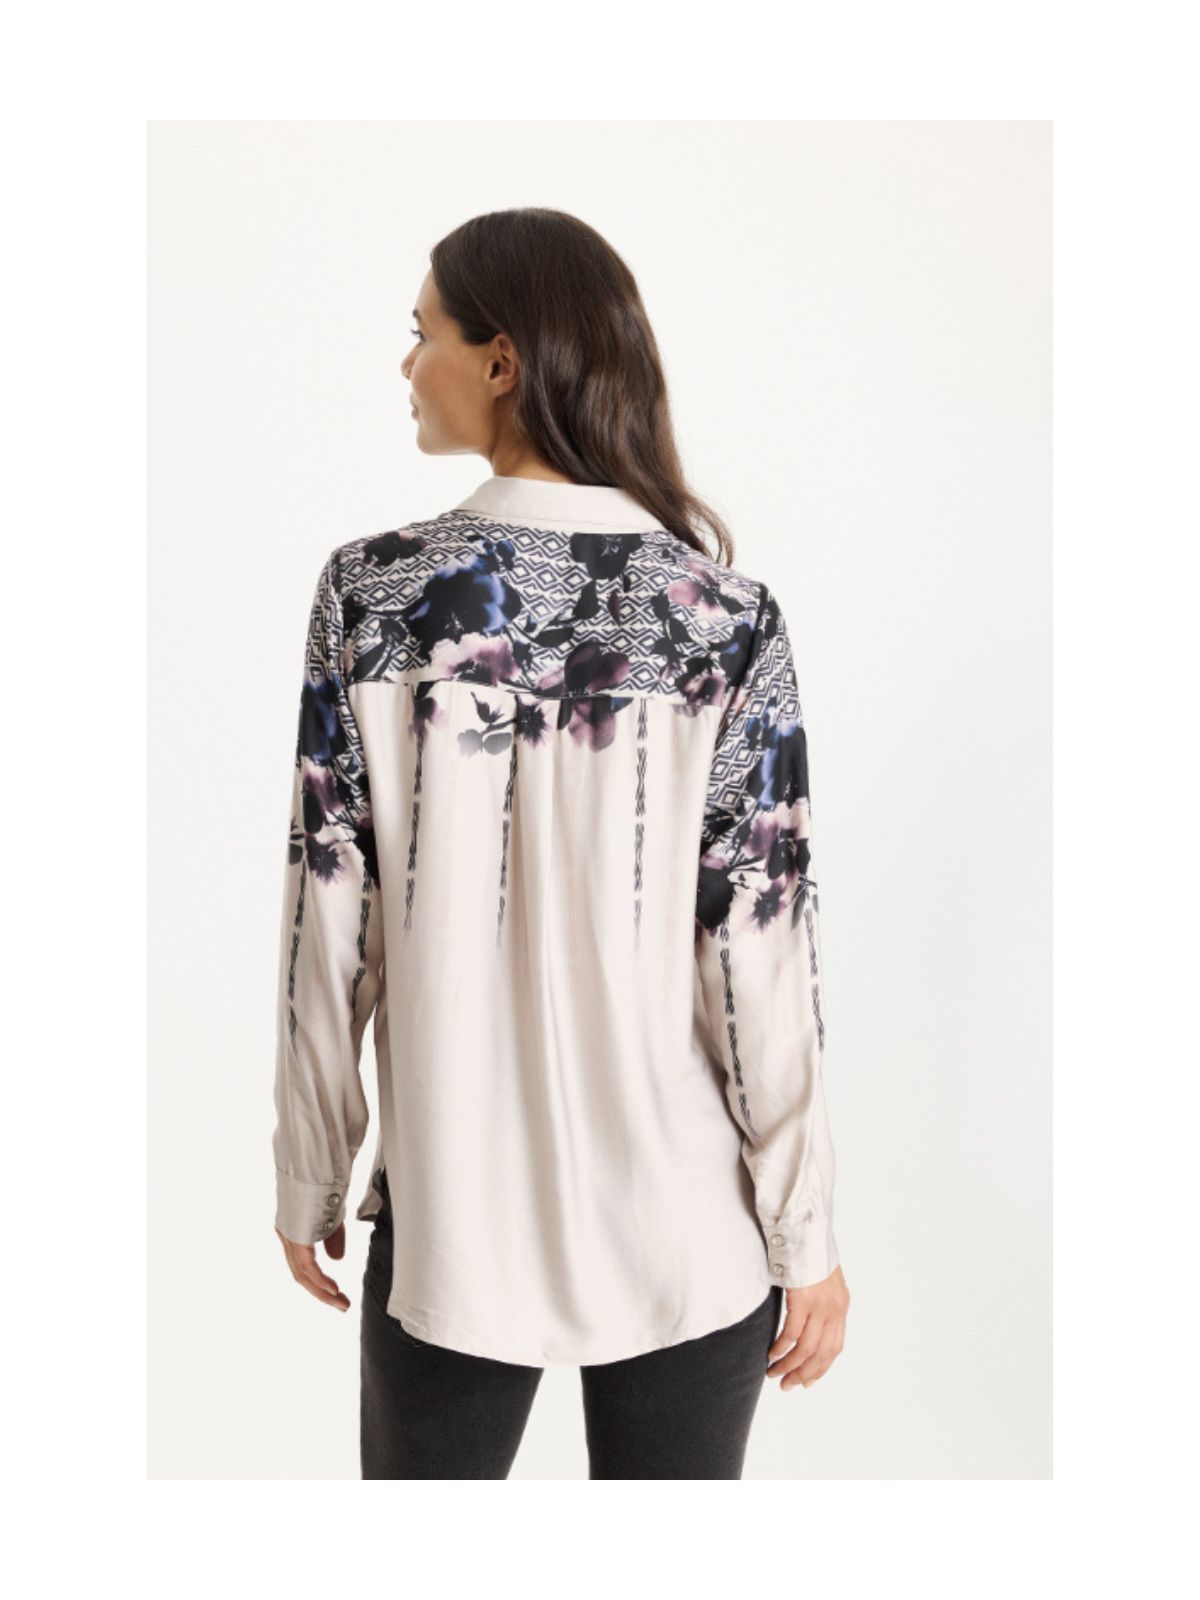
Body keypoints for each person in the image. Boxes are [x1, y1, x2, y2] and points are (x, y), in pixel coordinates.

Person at [271, 207, 850, 1479]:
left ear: (500, 360)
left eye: (421, 332)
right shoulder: (725, 619)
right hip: (692, 1228)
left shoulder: (372, 594)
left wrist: (310, 1167)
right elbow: (759, 951)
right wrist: (802, 1230)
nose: (405, 361)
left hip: (451, 1226)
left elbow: (330, 920)